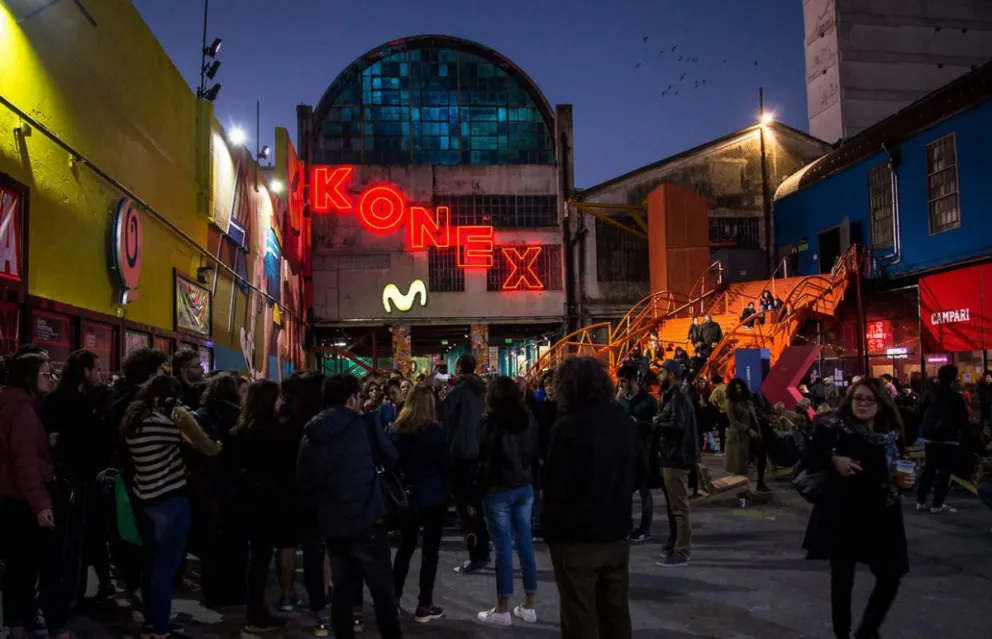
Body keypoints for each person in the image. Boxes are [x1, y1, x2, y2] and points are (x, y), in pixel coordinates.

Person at [543, 357, 645, 639]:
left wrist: (550, 531)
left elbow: (554, 487)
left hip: (576, 538)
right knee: (615, 612)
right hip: (616, 532)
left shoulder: (565, 428)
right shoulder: (623, 423)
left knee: (580, 616)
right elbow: (642, 472)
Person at [297, 373, 403, 639]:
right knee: (382, 594)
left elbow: (304, 481)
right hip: (368, 521)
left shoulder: (312, 433)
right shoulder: (365, 426)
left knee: (342, 591)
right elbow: (391, 458)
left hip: (333, 525)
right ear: (351, 398)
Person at [802, 378, 909, 639]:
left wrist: (905, 481)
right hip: (844, 513)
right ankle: (842, 634)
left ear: (881, 404)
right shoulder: (834, 427)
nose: (862, 404)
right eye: (857, 398)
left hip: (883, 514)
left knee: (891, 575)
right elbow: (808, 457)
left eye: (868, 399)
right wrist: (833, 460)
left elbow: (898, 467)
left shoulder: (891, 432)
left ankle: (867, 630)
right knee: (842, 579)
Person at [122, 375, 221, 639]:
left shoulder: (135, 420)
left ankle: (151, 624)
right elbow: (201, 442)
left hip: (146, 500)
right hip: (170, 500)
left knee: (152, 566)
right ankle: (162, 631)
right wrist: (183, 414)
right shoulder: (161, 424)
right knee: (165, 570)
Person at [0, 354, 74, 639]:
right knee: (50, 569)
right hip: (28, 501)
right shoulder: (22, 411)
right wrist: (42, 505)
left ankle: (17, 628)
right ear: (28, 377)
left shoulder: (10, 403)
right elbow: (26, 462)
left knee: (17, 570)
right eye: (45, 373)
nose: (51, 378)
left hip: (10, 499)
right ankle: (60, 631)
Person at [40, 349, 115, 603]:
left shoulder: (56, 400)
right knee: (75, 539)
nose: (99, 374)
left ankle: (69, 593)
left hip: (65, 477)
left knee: (72, 539)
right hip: (77, 479)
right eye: (95, 369)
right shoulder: (80, 403)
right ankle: (70, 595)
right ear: (85, 372)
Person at [475, 376, 540, 627]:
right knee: (525, 546)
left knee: (502, 548)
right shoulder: (529, 419)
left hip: (498, 489)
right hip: (525, 486)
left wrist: (478, 489)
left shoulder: (490, 422)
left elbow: (485, 459)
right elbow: (535, 453)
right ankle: (529, 605)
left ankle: (502, 608)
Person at [228, 379, 289, 633]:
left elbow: (232, 469)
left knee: (255, 560)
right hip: (268, 503)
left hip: (245, 503)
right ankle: (255, 613)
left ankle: (255, 608)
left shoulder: (239, 432)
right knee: (261, 560)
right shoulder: (276, 432)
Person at [390, 386, 452, 623]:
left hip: (408, 497)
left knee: (405, 549)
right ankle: (424, 604)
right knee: (430, 552)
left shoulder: (397, 431)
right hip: (434, 497)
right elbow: (447, 465)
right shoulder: (435, 434)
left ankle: (393, 599)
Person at [189, 372, 246, 607]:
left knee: (210, 543)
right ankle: (234, 593)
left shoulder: (199, 417)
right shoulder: (236, 419)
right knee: (235, 544)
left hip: (205, 487)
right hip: (232, 488)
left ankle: (211, 592)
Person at [438, 353, 490, 574]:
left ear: (458, 369)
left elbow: (441, 412)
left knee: (465, 511)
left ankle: (475, 555)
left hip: (460, 454)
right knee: (474, 508)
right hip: (477, 453)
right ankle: (482, 552)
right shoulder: (481, 390)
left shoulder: (459, 391)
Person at [653, 359, 699, 567]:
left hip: (676, 458)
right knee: (674, 507)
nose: (658, 376)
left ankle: (683, 551)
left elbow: (677, 427)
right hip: (671, 456)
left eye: (662, 372)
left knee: (680, 508)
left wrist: (657, 422)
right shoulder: (673, 396)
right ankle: (676, 545)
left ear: (671, 374)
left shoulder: (678, 398)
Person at [915, 364, 969, 514]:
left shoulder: (929, 393)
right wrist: (966, 436)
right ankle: (937, 503)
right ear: (953, 378)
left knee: (929, 468)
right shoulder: (956, 396)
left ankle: (921, 500)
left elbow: (918, 413)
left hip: (930, 437)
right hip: (949, 437)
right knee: (945, 470)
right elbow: (963, 420)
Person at [617, 363, 658, 542]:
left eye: (624, 381)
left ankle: (645, 528)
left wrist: (639, 423)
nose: (621, 385)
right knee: (624, 491)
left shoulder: (648, 401)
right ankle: (626, 525)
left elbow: (656, 426)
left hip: (644, 451)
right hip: (625, 452)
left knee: (644, 492)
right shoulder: (620, 401)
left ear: (634, 381)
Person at [726, 379, 770, 492]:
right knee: (741, 462)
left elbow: (754, 415)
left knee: (761, 456)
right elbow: (733, 420)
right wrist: (747, 430)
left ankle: (760, 482)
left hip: (755, 433)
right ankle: (742, 488)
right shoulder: (731, 402)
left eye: (740, 388)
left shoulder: (747, 400)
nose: (739, 390)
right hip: (740, 436)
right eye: (736, 389)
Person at [709, 375, 729, 454]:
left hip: (722, 412)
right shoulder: (727, 387)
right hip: (730, 412)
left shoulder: (717, 389)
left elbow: (710, 399)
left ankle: (722, 450)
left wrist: (716, 405)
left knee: (722, 431)